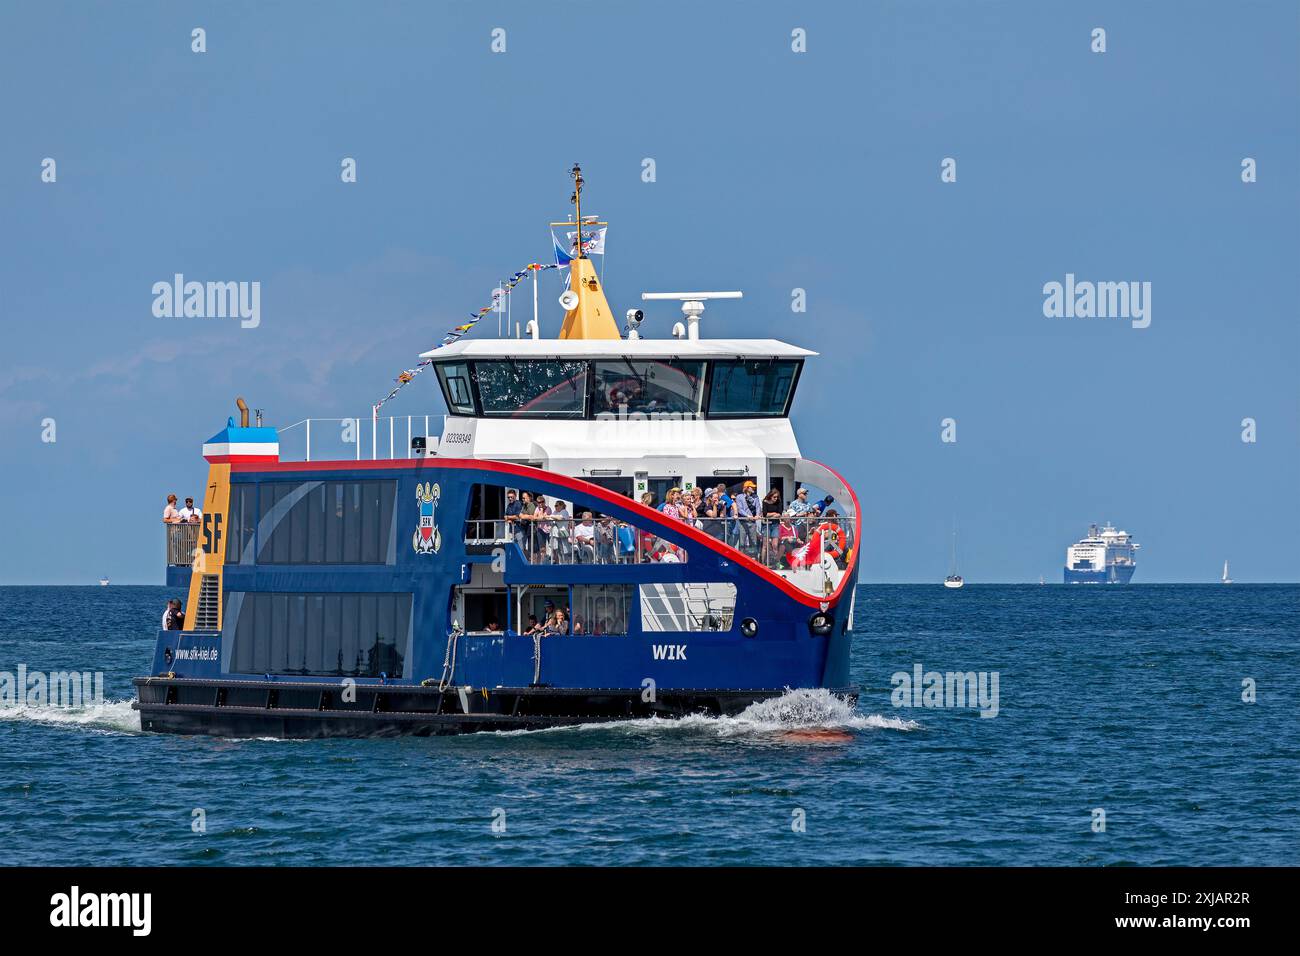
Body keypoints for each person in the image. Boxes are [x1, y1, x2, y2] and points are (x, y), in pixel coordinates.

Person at [735, 480, 760, 553]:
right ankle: (741, 558)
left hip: (752, 522)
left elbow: (758, 507)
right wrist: (748, 516)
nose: (753, 488)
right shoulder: (739, 497)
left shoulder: (755, 497)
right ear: (747, 488)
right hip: (743, 522)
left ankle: (754, 558)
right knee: (742, 542)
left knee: (753, 541)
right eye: (751, 487)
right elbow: (740, 509)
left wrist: (757, 515)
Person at [761, 487, 783, 565]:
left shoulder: (779, 502)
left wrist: (770, 514)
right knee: (765, 545)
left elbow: (780, 513)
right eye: (774, 497)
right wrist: (774, 513)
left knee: (775, 545)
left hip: (775, 524)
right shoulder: (765, 502)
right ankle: (763, 562)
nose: (776, 498)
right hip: (766, 524)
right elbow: (765, 514)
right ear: (770, 496)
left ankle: (776, 563)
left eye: (777, 497)